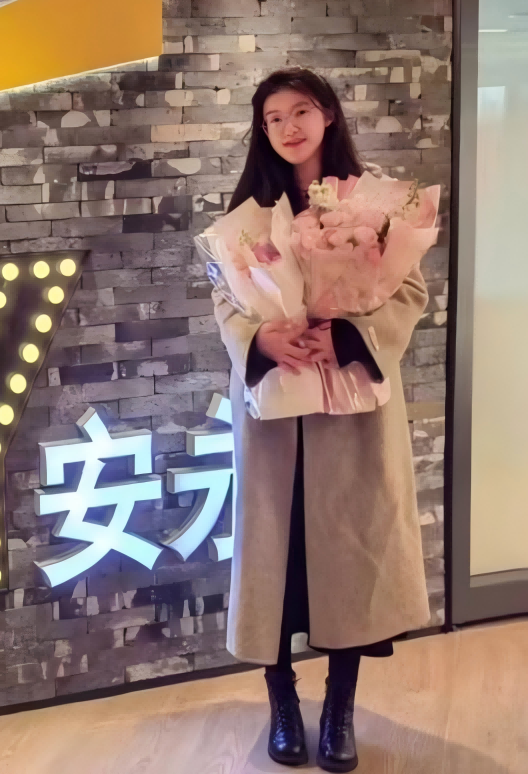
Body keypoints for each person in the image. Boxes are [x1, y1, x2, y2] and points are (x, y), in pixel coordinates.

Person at [213, 68, 432, 772]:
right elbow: (225, 298)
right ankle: (282, 700)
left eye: (301, 111)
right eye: (273, 117)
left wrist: (347, 335)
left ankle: (339, 706)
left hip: (351, 411)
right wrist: (260, 340)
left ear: (329, 115)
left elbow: (408, 291)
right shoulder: (245, 216)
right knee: (275, 561)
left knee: (348, 560)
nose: (288, 127)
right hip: (277, 415)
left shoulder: (375, 205)